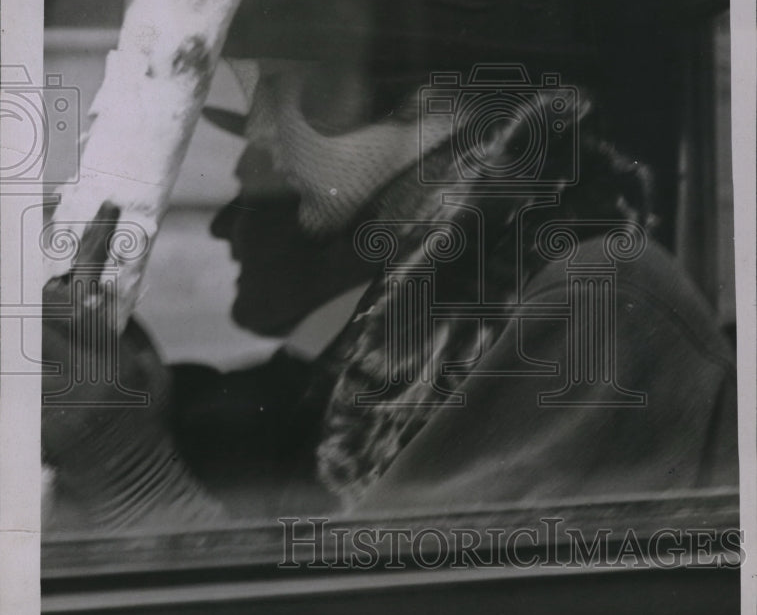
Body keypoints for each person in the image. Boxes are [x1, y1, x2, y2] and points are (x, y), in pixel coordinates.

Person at [41, 55, 738, 531]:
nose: (262, 131)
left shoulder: (600, 298)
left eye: (293, 86)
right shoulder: (415, 308)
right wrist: (138, 393)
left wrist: (122, 465)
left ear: (435, 107)